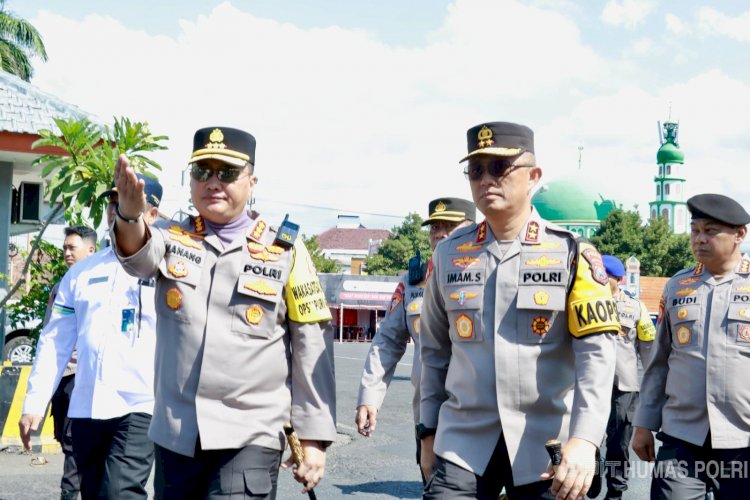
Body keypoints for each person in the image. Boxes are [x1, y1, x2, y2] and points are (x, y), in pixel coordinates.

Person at [110, 126, 337, 499]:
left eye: (227, 173)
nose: (213, 182)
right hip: (177, 433)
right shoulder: (170, 236)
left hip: (250, 434)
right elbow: (136, 257)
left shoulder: (286, 251)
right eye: (202, 172)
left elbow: (311, 344)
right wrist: (130, 215)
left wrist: (312, 438)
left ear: (252, 181)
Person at [419, 121, 619, 500]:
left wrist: (585, 440)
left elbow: (596, 357)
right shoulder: (448, 254)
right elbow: (432, 353)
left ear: (534, 177)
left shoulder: (572, 253)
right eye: (476, 170)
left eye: (499, 168)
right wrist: (427, 433)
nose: (486, 180)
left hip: (545, 447)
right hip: (463, 443)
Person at [20, 178, 162, 499]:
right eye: (114, 204)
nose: (116, 212)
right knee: (91, 492)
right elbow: (54, 341)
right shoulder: (80, 274)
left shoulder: (163, 268)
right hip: (86, 408)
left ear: (151, 214)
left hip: (139, 405)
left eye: (127, 204)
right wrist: (34, 403)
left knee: (120, 492)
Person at [632, 193, 750, 499]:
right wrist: (644, 423)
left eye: (710, 231)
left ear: (740, 234)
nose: (699, 239)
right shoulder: (678, 286)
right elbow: (659, 362)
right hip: (682, 434)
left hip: (743, 438)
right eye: (695, 230)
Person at [355, 197, 475, 481]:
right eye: (435, 228)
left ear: (473, 228)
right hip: (429, 412)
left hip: (480, 414)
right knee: (434, 487)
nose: (441, 234)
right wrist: (369, 396)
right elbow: (387, 341)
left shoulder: (491, 275)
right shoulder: (412, 282)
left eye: (451, 226)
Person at [45, 225, 97, 500]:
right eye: (64, 247)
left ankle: (70, 494)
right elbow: (50, 333)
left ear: (91, 250)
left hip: (83, 375)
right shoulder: (60, 286)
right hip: (63, 376)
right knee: (66, 443)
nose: (66, 253)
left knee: (75, 443)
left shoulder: (98, 284)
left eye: (71, 248)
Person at [600, 255, 655, 500]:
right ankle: (589, 474)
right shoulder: (580, 303)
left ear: (619, 280)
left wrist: (652, 395)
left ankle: (615, 491)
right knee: (584, 437)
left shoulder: (637, 308)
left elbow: (649, 354)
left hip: (623, 387)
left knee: (618, 445)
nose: (600, 279)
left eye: (606, 276)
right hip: (585, 385)